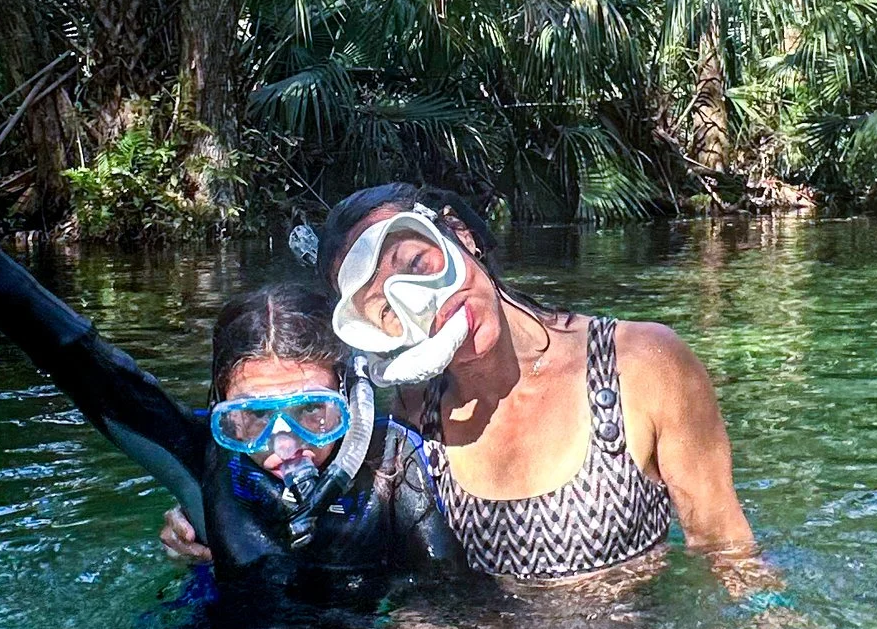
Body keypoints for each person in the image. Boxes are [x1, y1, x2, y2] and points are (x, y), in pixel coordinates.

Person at [0, 135, 457, 601]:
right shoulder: (207, 460)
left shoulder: (392, 464)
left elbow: (449, 604)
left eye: (314, 414)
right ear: (219, 410)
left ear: (351, 395)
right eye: (249, 421)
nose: (283, 448)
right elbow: (86, 367)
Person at [317, 184, 756, 582]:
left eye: (417, 263)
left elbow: (727, 551)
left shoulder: (642, 363)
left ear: (459, 234)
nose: (421, 303)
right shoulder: (412, 415)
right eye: (387, 311)